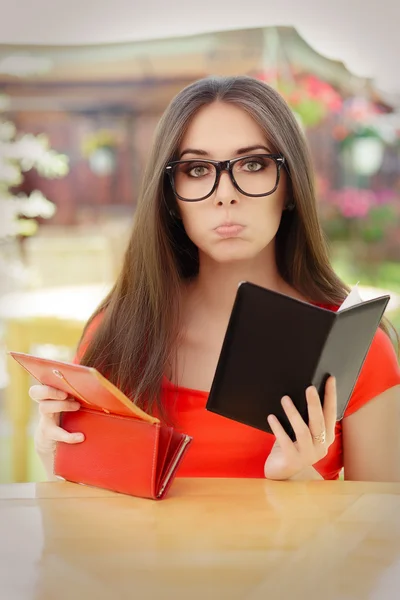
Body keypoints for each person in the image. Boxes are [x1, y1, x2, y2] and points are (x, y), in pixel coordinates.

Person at [30, 75, 400, 483]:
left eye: (253, 164)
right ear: (170, 196)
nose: (225, 193)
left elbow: (380, 538)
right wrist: (58, 461)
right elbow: (89, 535)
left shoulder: (358, 349)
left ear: (291, 185)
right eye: (198, 169)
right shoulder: (117, 339)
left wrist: (298, 479)